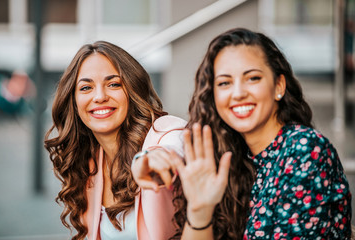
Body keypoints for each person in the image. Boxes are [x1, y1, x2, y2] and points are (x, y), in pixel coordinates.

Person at [133, 28, 353, 239]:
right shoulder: (231, 154)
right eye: (225, 82)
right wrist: (200, 211)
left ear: (279, 86)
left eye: (253, 78)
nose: (238, 93)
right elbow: (176, 145)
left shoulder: (304, 149)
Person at [44, 41, 186, 240]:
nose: (100, 96)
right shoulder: (89, 162)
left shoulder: (164, 130)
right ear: (74, 102)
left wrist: (152, 159)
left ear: (132, 90)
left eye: (113, 84)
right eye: (86, 88)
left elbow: (176, 144)